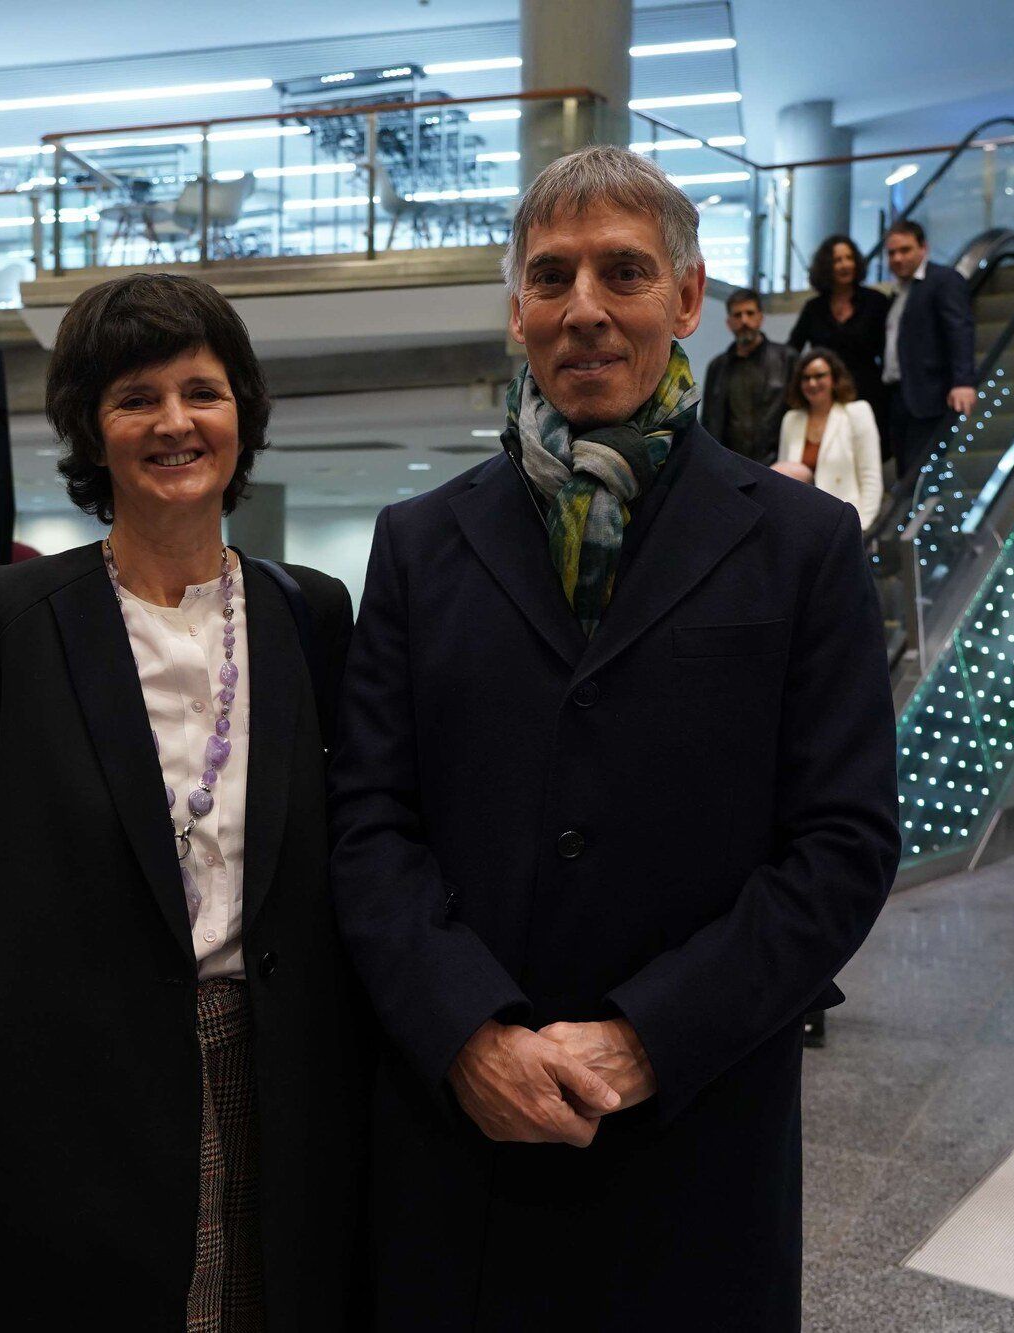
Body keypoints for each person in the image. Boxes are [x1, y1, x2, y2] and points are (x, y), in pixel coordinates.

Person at [331, 144, 898, 1330]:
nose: (582, 308)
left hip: (691, 1139)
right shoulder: (419, 544)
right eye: (550, 277)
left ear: (685, 298)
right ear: (515, 312)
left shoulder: (799, 546)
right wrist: (468, 1033)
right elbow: (369, 822)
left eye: (622, 272)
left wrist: (648, 1037)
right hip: (461, 1150)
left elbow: (841, 844)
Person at [0, 272, 365, 1331]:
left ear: (241, 412)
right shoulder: (10, 619)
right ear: (90, 428)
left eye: (201, 391)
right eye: (135, 398)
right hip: (72, 1084)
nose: (174, 423)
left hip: (280, 1071)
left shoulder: (308, 612)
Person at [882, 219, 977, 481]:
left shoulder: (943, 280)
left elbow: (959, 328)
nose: (898, 258)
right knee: (906, 472)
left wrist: (963, 381)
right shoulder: (899, 293)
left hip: (931, 396)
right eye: (892, 253)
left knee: (923, 473)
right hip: (899, 396)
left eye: (905, 250)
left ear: (923, 248)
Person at [786, 235, 892, 459]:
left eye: (849, 258)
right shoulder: (814, 308)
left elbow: (889, 352)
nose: (844, 265)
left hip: (868, 394)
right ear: (827, 266)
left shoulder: (876, 302)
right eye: (837, 260)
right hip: (825, 397)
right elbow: (792, 349)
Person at [778, 347, 883, 536]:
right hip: (802, 526)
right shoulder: (791, 420)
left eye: (819, 376)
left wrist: (862, 526)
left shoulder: (857, 413)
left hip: (846, 524)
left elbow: (871, 478)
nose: (812, 383)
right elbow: (784, 481)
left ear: (834, 378)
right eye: (805, 378)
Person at [698, 286, 793, 465]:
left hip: (777, 465)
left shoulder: (786, 359)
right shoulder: (717, 367)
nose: (744, 320)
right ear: (729, 322)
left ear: (760, 317)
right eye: (737, 315)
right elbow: (709, 420)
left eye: (750, 313)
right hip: (729, 465)